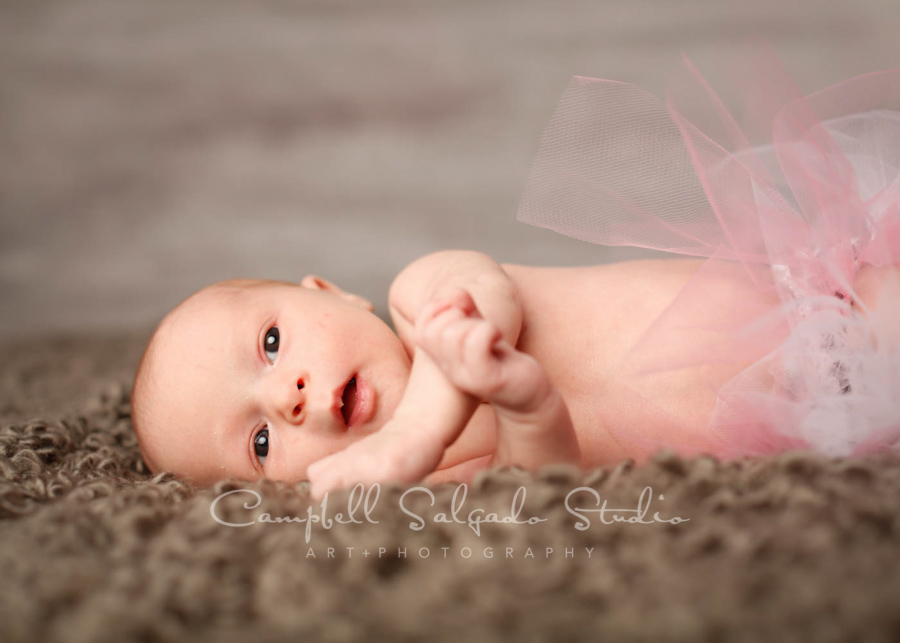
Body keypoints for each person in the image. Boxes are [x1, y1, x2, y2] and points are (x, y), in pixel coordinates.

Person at [131, 58, 900, 498]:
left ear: (330, 293)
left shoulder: (420, 292)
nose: (287, 396)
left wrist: (414, 433)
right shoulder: (435, 482)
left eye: (271, 342)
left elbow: (488, 299)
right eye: (261, 440)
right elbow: (549, 480)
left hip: (818, 318)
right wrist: (526, 405)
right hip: (805, 434)